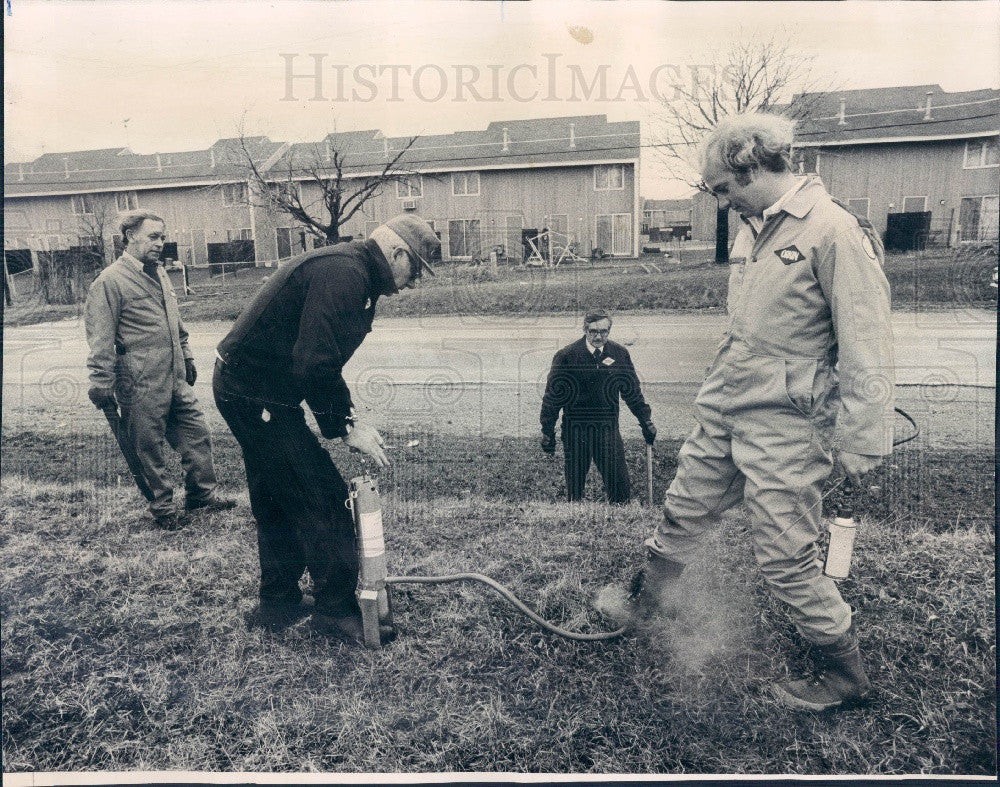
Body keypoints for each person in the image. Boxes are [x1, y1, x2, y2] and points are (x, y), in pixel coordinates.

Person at [611, 112, 895, 711]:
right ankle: (647, 603)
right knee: (685, 505)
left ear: (754, 167)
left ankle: (844, 674)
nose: (720, 201)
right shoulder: (753, 228)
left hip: (789, 422)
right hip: (727, 401)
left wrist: (863, 437)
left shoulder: (833, 231)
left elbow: (868, 342)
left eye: (722, 187)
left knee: (784, 552)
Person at [213, 214, 439, 644]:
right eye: (415, 269)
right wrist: (344, 427)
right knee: (321, 496)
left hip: (254, 388)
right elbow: (315, 360)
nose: (414, 283)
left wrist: (345, 416)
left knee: (277, 494)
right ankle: (335, 610)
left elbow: (322, 360)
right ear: (395, 253)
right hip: (254, 394)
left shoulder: (355, 271)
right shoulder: (347, 274)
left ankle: (277, 603)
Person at [85, 210, 235, 530]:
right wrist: (101, 382)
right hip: (138, 378)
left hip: (174, 374)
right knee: (147, 446)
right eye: (153, 236)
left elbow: (176, 325)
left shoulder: (160, 272)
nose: (161, 243)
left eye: (163, 237)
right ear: (129, 236)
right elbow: (100, 339)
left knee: (197, 433)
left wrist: (188, 356)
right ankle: (164, 508)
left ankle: (201, 496)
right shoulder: (110, 281)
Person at [540, 310, 656, 503]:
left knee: (620, 489)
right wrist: (547, 431)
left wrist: (646, 421)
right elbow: (553, 398)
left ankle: (618, 523)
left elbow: (632, 392)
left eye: (604, 331)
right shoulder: (567, 356)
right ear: (585, 329)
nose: (599, 336)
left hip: (607, 430)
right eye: (593, 331)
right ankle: (575, 523)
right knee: (575, 491)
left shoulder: (619, 354)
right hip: (576, 431)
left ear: (609, 330)